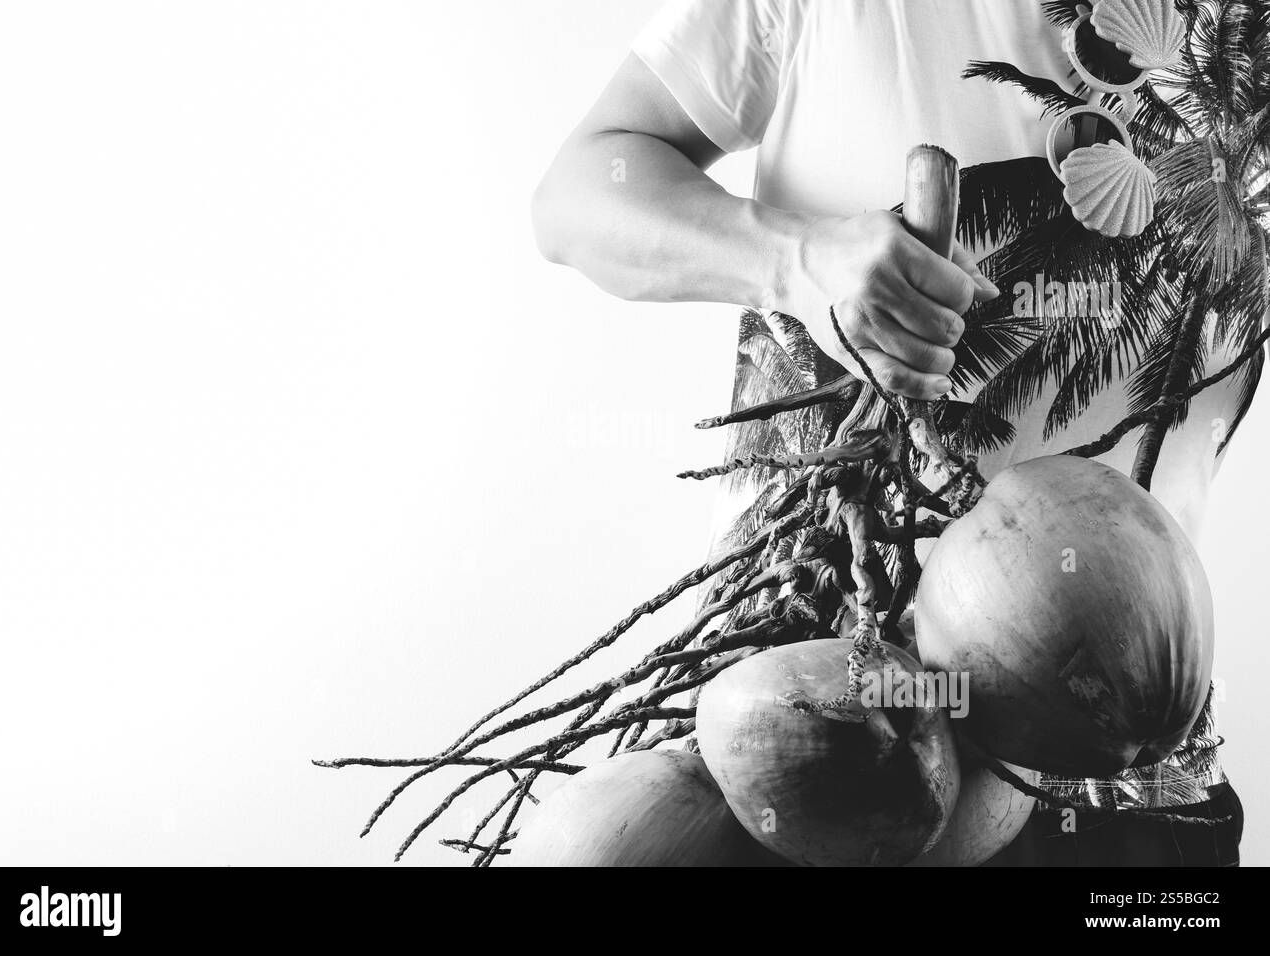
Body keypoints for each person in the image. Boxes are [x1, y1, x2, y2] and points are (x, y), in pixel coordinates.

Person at [531, 0, 1244, 865]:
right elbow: (577, 193)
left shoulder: (1245, 49)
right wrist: (796, 260)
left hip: (1132, 785)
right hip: (814, 742)